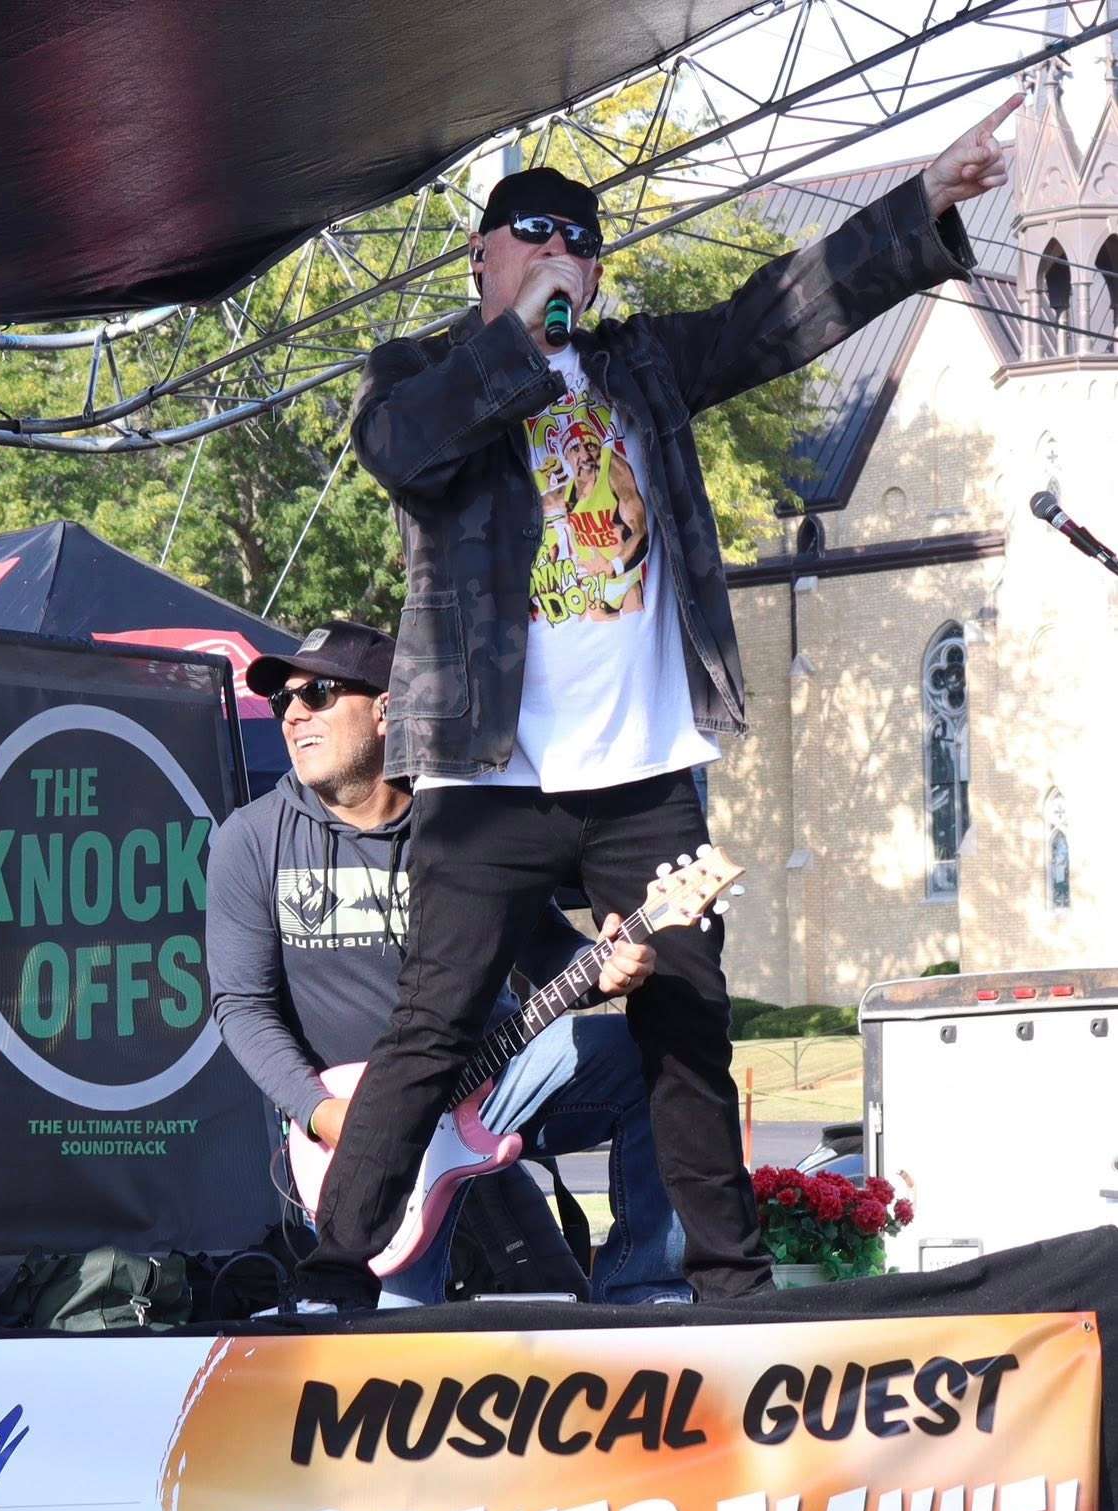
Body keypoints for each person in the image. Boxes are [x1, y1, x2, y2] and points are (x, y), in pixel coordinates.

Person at [297, 100, 1018, 1312]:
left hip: (639, 770)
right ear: (483, 257)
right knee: (434, 1023)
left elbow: (773, 318)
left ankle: (728, 1293)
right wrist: (517, 344)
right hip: (494, 770)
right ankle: (330, 1274)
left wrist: (924, 201)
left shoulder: (636, 366)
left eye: (578, 242)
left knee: (685, 1023)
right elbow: (405, 453)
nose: (558, 257)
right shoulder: (423, 373)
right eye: (530, 237)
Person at [205, 620, 690, 1308]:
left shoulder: (471, 829)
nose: (292, 717)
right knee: (386, 1332)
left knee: (651, 1052)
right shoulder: (250, 840)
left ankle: (648, 1297)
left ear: (386, 708)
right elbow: (241, 1006)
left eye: (315, 694)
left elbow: (545, 944)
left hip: (494, 1075)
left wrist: (600, 963)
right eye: (282, 702)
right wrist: (322, 1113)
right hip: (360, 1122)